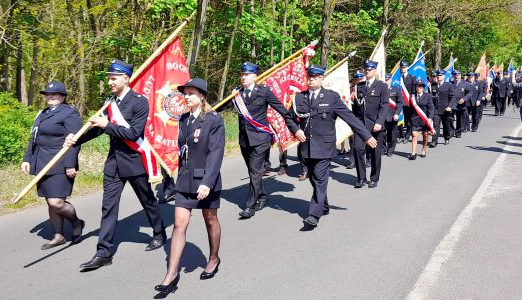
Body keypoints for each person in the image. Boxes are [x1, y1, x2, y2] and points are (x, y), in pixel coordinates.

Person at [64, 59, 166, 270]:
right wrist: (77, 138)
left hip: (135, 161)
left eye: (113, 78)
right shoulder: (109, 102)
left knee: (147, 200)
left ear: (126, 78)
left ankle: (159, 232)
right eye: (109, 78)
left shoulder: (139, 102)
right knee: (108, 208)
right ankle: (103, 252)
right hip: (114, 164)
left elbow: (133, 133)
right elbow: (98, 129)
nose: (110, 81)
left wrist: (107, 124)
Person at [155, 78, 225, 296]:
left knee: (210, 219)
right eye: (185, 93)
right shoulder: (183, 119)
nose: (187, 97)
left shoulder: (214, 120)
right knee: (178, 224)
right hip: (185, 179)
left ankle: (213, 258)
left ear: (202, 96)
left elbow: (216, 153)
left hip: (205, 180)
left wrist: (207, 182)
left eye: (191, 93)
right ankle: (171, 274)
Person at [293, 65, 377, 228]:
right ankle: (323, 205)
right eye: (309, 77)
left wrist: (366, 136)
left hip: (324, 147)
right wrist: (295, 130)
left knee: (320, 178)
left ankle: (314, 214)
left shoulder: (331, 97)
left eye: (315, 78)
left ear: (322, 79)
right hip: (306, 147)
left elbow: (350, 117)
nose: (311, 80)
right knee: (313, 178)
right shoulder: (299, 98)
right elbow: (290, 118)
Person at [229, 62, 305, 219]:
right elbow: (221, 107)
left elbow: (282, 110)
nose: (244, 77)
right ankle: (262, 196)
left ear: (255, 76)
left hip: (261, 139)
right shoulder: (236, 94)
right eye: (242, 75)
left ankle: (250, 205)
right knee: (252, 172)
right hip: (244, 140)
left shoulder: (264, 92)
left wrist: (295, 128)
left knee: (256, 171)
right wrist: (206, 108)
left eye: (247, 75)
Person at [22, 81, 85, 250]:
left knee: (56, 202)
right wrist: (26, 159)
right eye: (47, 94)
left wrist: (70, 164)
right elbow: (33, 139)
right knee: (50, 202)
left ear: (63, 97)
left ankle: (76, 222)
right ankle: (59, 235)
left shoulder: (69, 113)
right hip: (42, 162)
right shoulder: (42, 114)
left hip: (60, 161)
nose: (50, 96)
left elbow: (75, 140)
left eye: (54, 94)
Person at [352, 60, 389, 189]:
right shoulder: (359, 86)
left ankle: (374, 178)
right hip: (361, 124)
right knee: (357, 148)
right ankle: (361, 177)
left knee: (375, 152)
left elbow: (384, 106)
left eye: (370, 69)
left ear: (375, 71)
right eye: (366, 69)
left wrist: (379, 122)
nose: (367, 71)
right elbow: (356, 108)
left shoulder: (382, 86)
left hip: (375, 124)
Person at [408, 80, 434, 160]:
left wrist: (430, 118)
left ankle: (423, 150)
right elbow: (410, 108)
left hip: (424, 118)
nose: (418, 88)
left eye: (420, 87)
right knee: (414, 134)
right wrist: (408, 120)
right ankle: (413, 153)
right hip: (414, 118)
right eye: (417, 86)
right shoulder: (412, 96)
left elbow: (431, 108)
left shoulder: (428, 96)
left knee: (425, 135)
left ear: (423, 88)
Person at [384, 73, 403, 156]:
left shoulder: (396, 89)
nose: (386, 81)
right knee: (382, 134)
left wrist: (397, 113)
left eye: (387, 80)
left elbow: (400, 103)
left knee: (392, 134)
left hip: (392, 115)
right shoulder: (380, 89)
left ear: (390, 80)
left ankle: (391, 149)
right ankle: (384, 148)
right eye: (384, 80)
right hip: (382, 115)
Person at [398, 61, 416, 143]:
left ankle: (407, 136)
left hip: (408, 103)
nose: (402, 69)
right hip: (398, 102)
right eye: (401, 67)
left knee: (408, 121)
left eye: (404, 67)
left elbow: (413, 91)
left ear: (407, 68)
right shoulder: (397, 77)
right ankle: (401, 135)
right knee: (399, 120)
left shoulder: (412, 77)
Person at [451, 70, 472, 138]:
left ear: (460, 76)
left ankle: (458, 132)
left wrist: (464, 99)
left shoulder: (465, 83)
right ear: (453, 76)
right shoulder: (450, 83)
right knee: (450, 119)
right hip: (451, 104)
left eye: (458, 75)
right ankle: (451, 131)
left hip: (460, 104)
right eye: (454, 75)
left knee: (459, 119)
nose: (456, 77)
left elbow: (470, 93)